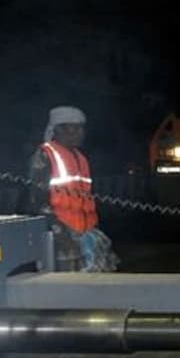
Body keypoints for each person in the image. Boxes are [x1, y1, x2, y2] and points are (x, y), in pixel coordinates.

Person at [28, 106, 117, 272]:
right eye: (73, 128)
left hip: (85, 232)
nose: (79, 133)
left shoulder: (80, 158)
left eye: (81, 128)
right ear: (58, 130)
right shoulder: (45, 155)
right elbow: (38, 201)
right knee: (65, 284)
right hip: (62, 235)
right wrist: (58, 232)